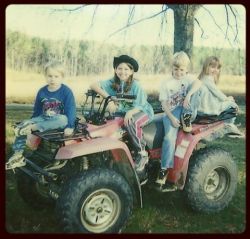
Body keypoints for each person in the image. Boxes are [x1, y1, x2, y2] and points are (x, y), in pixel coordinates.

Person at [6, 61, 77, 170]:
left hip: (57, 120)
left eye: (56, 76)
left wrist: (70, 126)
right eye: (49, 76)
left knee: (64, 119)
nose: (52, 79)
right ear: (45, 76)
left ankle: (33, 128)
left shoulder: (66, 92)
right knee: (23, 124)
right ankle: (18, 154)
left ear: (62, 77)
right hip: (44, 117)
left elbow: (71, 109)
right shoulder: (42, 91)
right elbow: (37, 110)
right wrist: (31, 121)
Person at [90, 54, 154, 173]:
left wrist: (130, 112)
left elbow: (140, 104)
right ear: (115, 70)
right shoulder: (112, 83)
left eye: (126, 69)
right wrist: (109, 98)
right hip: (123, 112)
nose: (122, 72)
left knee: (131, 122)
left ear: (131, 72)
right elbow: (93, 85)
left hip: (141, 111)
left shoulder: (136, 86)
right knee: (110, 125)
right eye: (119, 68)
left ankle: (142, 152)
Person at [157, 51, 202, 191]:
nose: (179, 72)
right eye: (176, 69)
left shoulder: (187, 78)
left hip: (186, 109)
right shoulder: (166, 83)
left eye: (182, 70)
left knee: (196, 90)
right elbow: (164, 104)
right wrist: (171, 118)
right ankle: (164, 169)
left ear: (186, 69)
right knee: (169, 138)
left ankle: (187, 119)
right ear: (172, 68)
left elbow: (199, 82)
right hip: (171, 112)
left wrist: (188, 95)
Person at [192, 56, 243, 137]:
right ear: (206, 66)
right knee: (232, 105)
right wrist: (227, 98)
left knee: (229, 103)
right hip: (208, 108)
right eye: (212, 67)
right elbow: (217, 92)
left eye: (217, 68)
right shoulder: (207, 79)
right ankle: (229, 125)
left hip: (203, 108)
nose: (215, 70)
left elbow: (212, 95)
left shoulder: (202, 78)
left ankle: (227, 125)